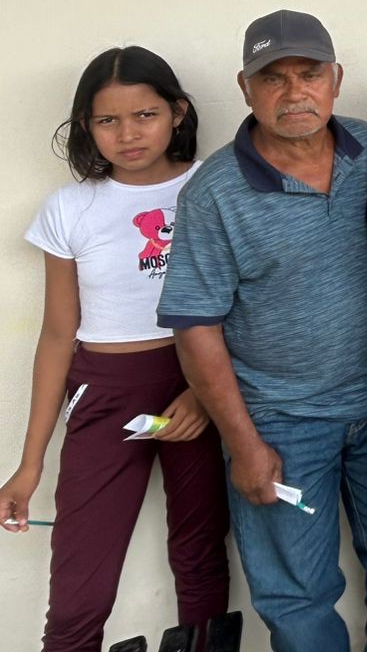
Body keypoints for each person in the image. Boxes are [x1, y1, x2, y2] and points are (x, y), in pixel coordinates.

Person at [157, 11, 367, 652]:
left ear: (336, 79)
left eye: (309, 74)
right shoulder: (215, 192)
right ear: (245, 88)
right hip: (281, 424)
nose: (294, 92)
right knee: (297, 593)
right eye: (272, 78)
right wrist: (244, 443)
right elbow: (196, 327)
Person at [1, 48, 229, 651]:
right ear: (86, 125)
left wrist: (203, 392)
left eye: (145, 115)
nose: (128, 134)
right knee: (81, 573)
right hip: (107, 393)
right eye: (108, 120)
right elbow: (58, 334)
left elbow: (248, 304)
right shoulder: (70, 208)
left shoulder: (212, 185)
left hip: (200, 385)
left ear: (178, 112)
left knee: (201, 553)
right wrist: (30, 464)